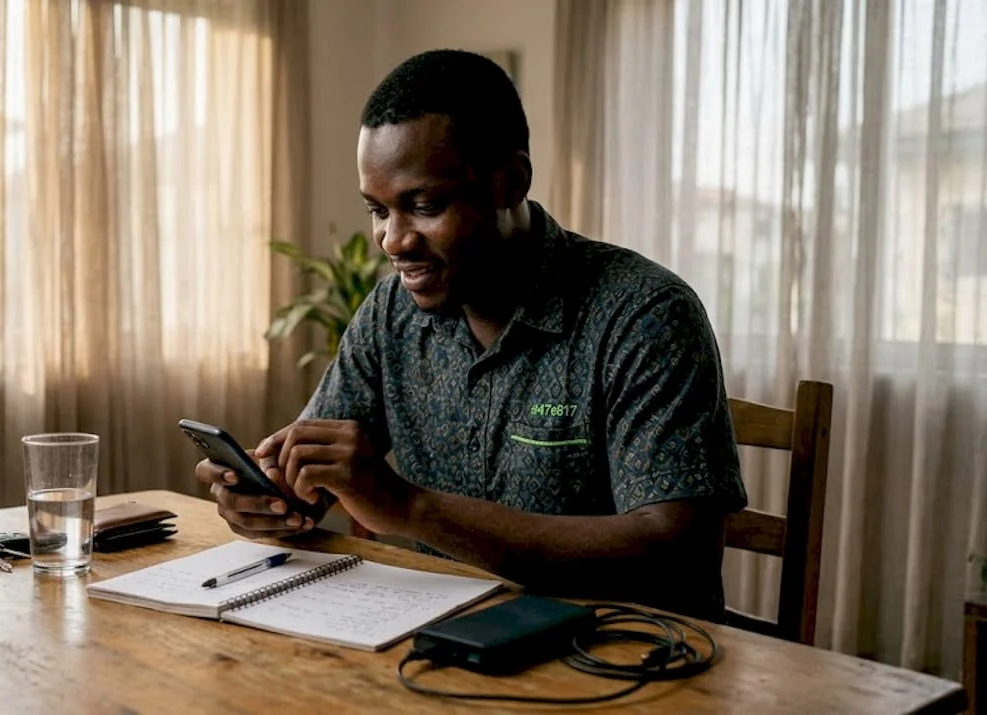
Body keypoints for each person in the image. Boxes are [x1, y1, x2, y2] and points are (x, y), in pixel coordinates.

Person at [195, 49, 747, 620]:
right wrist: (274, 495)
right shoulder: (390, 314)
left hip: (621, 658)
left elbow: (679, 554)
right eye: (378, 211)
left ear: (511, 182)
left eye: (424, 205)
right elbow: (322, 480)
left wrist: (411, 509)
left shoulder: (643, 314)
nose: (392, 240)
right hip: (438, 639)